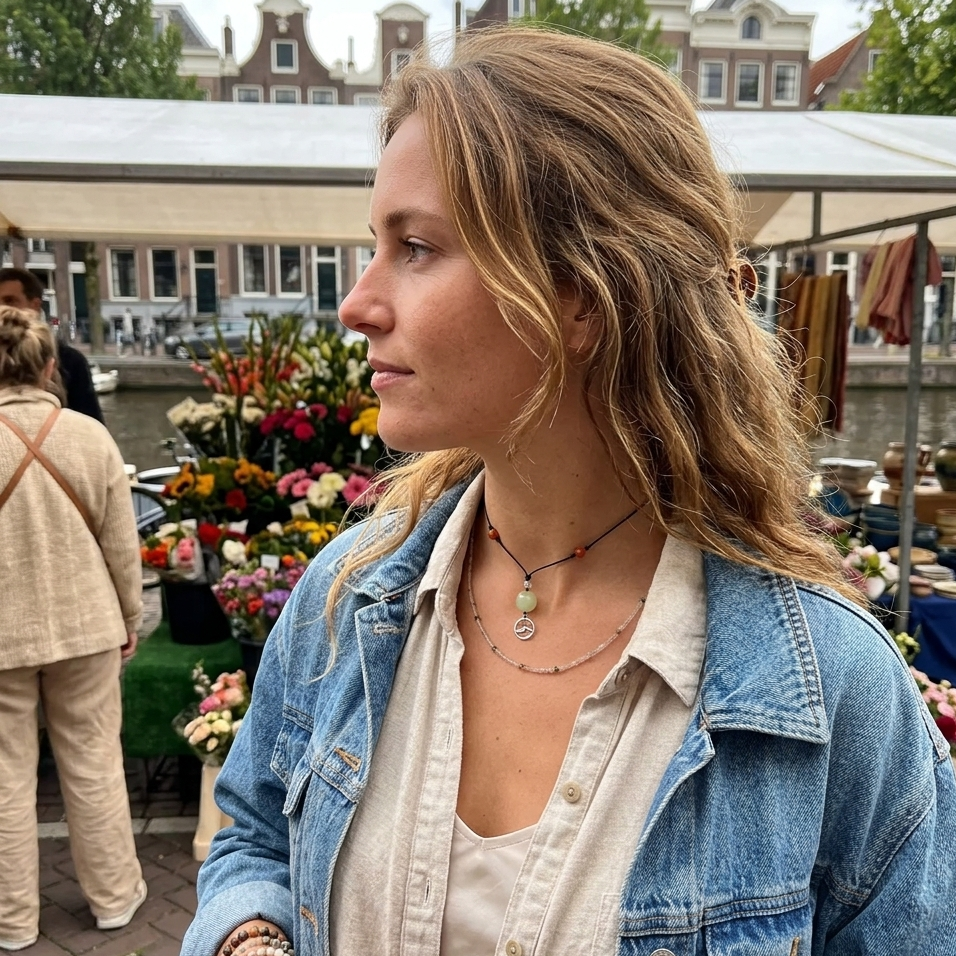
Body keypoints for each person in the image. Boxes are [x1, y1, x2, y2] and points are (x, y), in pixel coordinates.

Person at [183, 28, 956, 956]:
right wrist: (250, 938)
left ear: (586, 296)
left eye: (416, 247)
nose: (356, 303)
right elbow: (257, 833)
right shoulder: (348, 597)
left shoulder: (831, 694)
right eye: (373, 244)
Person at [0, 307, 147, 945]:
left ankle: (12, 920)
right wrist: (130, 617)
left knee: (5, 777)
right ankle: (114, 900)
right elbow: (123, 547)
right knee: (92, 763)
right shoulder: (90, 437)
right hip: (87, 623)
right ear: (51, 366)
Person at [0, 268, 104, 423]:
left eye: (10, 301)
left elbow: (90, 421)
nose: (2, 308)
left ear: (35, 305)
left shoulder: (70, 361)